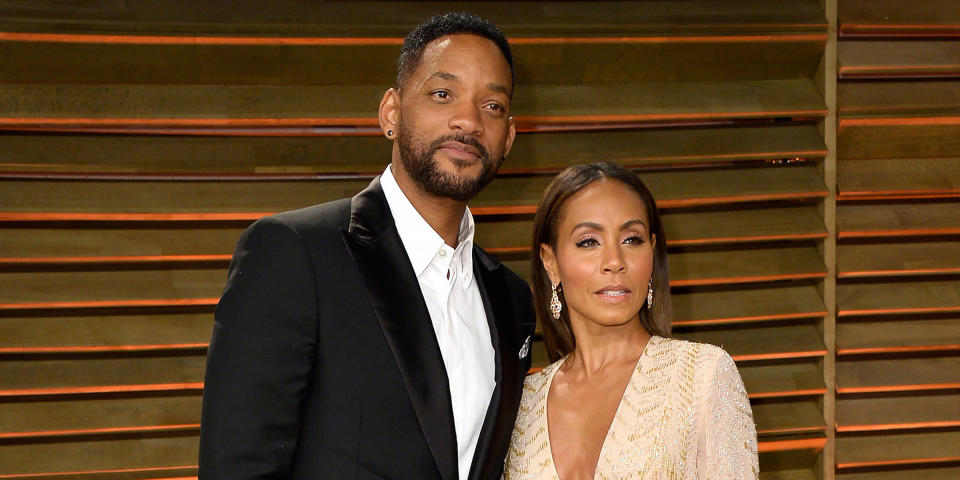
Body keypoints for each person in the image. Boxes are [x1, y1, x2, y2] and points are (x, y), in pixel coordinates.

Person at [199, 12, 536, 480]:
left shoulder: (511, 299)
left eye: (493, 106)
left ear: (509, 138)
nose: (469, 120)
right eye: (443, 94)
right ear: (391, 113)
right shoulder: (295, 254)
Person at [504, 163, 758, 479]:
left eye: (631, 240)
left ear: (652, 252)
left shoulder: (702, 377)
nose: (614, 262)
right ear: (551, 262)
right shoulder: (522, 402)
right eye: (589, 242)